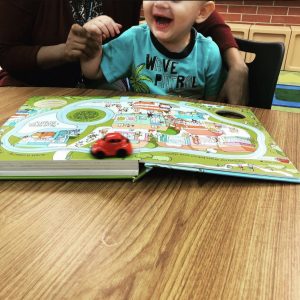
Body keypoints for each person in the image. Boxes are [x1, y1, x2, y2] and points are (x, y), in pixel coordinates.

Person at [0, 0, 248, 104]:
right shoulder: (134, 40)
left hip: (105, 98)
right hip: (32, 91)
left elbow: (199, 13)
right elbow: (8, 54)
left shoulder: (207, 51)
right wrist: (66, 51)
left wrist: (236, 62)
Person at [81, 1, 225, 101]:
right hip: (138, 125)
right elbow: (94, 72)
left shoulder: (209, 54)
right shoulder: (134, 39)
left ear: (201, 12)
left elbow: (211, 105)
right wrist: (92, 42)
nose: (160, 3)